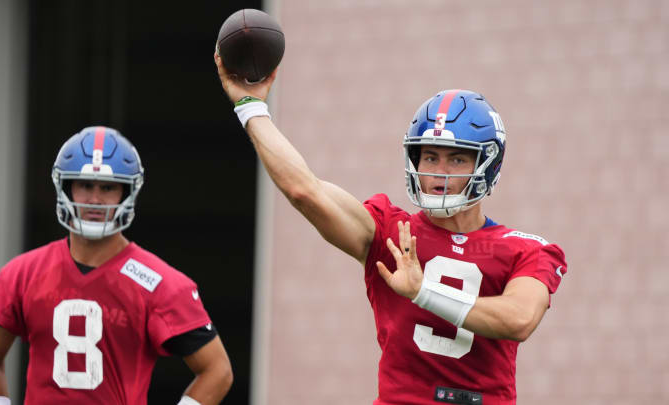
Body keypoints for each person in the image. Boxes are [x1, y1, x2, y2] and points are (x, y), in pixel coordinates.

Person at [215, 54, 567, 405]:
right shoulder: (390, 230)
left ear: (488, 163)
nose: (438, 174)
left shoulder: (526, 249)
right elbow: (305, 190)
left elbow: (520, 319)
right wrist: (251, 107)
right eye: (429, 157)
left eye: (456, 158)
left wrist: (423, 291)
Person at [0, 126, 233, 405]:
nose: (95, 200)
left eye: (107, 187)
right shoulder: (22, 273)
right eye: (85, 185)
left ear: (127, 192)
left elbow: (217, 370)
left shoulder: (160, 283)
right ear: (66, 188)